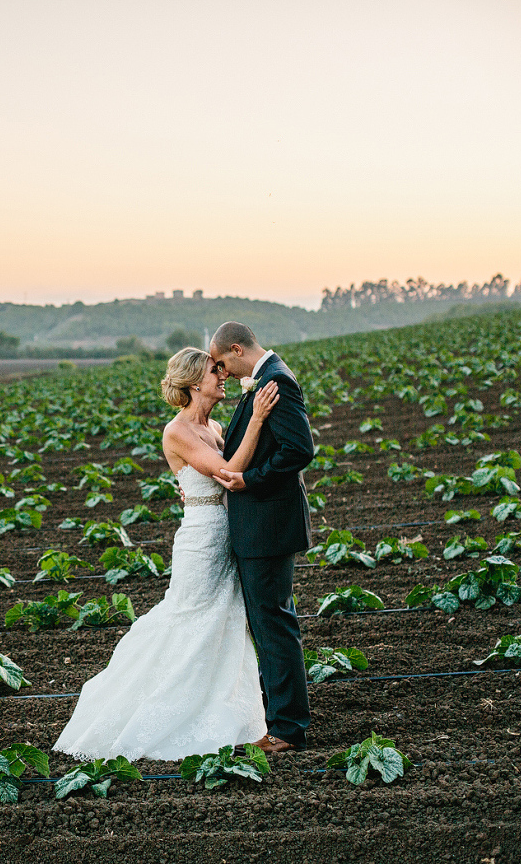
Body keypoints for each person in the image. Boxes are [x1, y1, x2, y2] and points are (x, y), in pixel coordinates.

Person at [52, 347, 279, 761]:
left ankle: (228, 713)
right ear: (195, 383)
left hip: (228, 533)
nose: (223, 375)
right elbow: (230, 473)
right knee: (190, 619)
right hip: (201, 541)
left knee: (226, 621)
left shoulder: (213, 425)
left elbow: (223, 467)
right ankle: (162, 713)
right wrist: (259, 420)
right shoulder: (177, 431)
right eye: (216, 371)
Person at [210, 321, 316, 755]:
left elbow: (299, 449)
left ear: (237, 349)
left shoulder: (276, 382)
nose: (221, 372)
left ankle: (288, 728)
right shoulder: (265, 381)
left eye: (221, 363)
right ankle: (279, 717)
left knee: (273, 626)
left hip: (268, 526)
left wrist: (249, 481)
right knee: (269, 623)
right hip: (262, 526)